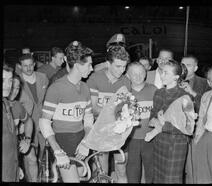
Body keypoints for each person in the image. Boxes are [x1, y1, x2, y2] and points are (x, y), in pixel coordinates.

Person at [39, 41, 94, 182]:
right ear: (77, 65)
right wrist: (57, 150)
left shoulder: (86, 88)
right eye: (89, 64)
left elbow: (88, 119)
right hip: (63, 140)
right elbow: (44, 122)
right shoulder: (56, 88)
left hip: (81, 138)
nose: (92, 68)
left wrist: (86, 142)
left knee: (83, 178)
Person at [86, 45, 131, 183]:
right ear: (108, 64)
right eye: (118, 66)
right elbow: (93, 109)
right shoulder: (94, 78)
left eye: (124, 66)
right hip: (100, 130)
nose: (122, 70)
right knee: (101, 172)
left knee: (122, 170)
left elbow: (124, 110)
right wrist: (113, 112)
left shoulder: (125, 81)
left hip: (118, 131)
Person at [149, 60, 191, 183]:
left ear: (176, 77)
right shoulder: (158, 92)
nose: (162, 75)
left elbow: (189, 127)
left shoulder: (185, 97)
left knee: (172, 180)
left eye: (166, 73)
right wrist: (154, 122)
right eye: (162, 72)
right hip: (159, 143)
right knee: (158, 179)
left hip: (176, 145)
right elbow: (152, 116)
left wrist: (163, 126)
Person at [17, 53, 49, 182]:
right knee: (31, 157)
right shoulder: (16, 80)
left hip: (43, 120)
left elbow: (47, 99)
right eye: (25, 66)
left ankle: (41, 177)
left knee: (44, 153)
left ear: (34, 64)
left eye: (31, 65)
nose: (29, 68)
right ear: (20, 66)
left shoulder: (43, 77)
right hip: (27, 122)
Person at [180, 55, 210, 183]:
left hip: (197, 130)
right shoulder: (173, 80)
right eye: (182, 64)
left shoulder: (205, 83)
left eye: (189, 65)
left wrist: (193, 93)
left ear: (196, 68)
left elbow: (209, 103)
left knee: (195, 165)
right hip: (179, 129)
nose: (184, 68)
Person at [125, 62, 157, 183]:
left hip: (150, 138)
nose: (138, 77)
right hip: (130, 138)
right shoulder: (124, 92)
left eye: (141, 73)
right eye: (134, 74)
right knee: (132, 170)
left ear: (146, 74)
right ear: (128, 75)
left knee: (151, 170)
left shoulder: (154, 90)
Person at [8, 74, 36, 182]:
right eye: (12, 87)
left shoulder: (17, 105)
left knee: (32, 158)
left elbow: (29, 121)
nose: (14, 91)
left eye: (17, 88)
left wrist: (27, 139)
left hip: (13, 148)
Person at [2, 63, 20, 182]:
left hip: (11, 169)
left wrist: (16, 167)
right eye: (3, 80)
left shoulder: (6, 104)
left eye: (10, 80)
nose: (7, 85)